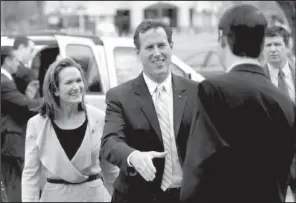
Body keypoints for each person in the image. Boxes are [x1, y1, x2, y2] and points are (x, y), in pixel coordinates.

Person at [180, 4, 296, 202]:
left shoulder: (212, 90)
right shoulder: (284, 100)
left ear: (223, 40)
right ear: (262, 46)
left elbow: (199, 170)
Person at [100, 19, 199, 203]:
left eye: (161, 45)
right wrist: (133, 156)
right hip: (138, 196)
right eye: (149, 47)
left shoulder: (196, 92)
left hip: (186, 195)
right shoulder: (120, 96)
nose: (157, 53)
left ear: (171, 46)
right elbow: (110, 142)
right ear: (138, 53)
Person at [21, 57, 119, 202]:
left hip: (95, 197)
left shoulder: (99, 118)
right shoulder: (37, 124)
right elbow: (30, 175)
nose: (77, 87)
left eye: (79, 81)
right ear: (55, 90)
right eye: (69, 82)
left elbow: (111, 169)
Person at [1, 46, 43, 202]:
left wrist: (27, 97)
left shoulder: (7, 81)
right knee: (15, 184)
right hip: (10, 140)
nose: (18, 65)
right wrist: (50, 101)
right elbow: (23, 106)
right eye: (16, 60)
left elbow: (14, 107)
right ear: (8, 60)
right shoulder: (4, 82)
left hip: (10, 139)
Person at [262, 25, 296, 201]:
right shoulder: (257, 80)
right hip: (270, 160)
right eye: (268, 45)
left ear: (288, 46)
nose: (272, 49)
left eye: (277, 44)